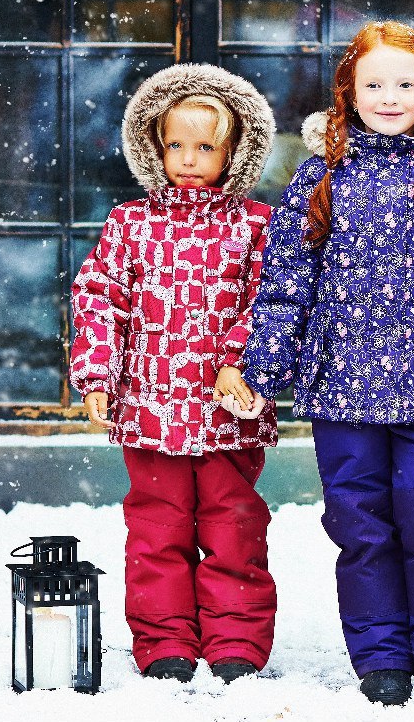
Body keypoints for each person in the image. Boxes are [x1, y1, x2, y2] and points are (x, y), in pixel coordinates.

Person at [241, 20, 414, 712]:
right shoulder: (319, 176)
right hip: (342, 390)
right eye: (374, 85)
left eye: (404, 85)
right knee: (360, 527)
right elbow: (285, 282)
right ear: (349, 92)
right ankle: (382, 655)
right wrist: (264, 370)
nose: (389, 98)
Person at [70, 64, 279, 684]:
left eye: (206, 147)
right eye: (175, 145)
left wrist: (239, 359)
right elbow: (99, 298)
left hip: (227, 412)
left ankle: (236, 640)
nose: (188, 159)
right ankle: (165, 641)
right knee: (156, 531)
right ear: (153, 148)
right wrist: (98, 375)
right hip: (151, 409)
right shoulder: (131, 224)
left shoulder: (256, 226)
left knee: (234, 528)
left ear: (235, 152)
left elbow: (270, 302)